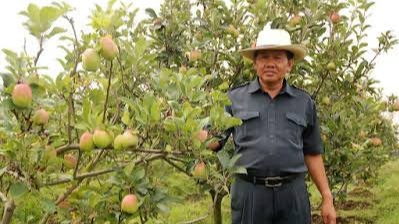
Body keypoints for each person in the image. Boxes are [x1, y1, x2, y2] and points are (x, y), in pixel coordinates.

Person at [207, 24, 336, 224]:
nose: (270, 63)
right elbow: (214, 141)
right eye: (264, 57)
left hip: (292, 195)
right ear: (255, 63)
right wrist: (188, 130)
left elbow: (312, 152)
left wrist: (327, 197)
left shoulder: (304, 102)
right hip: (250, 194)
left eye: (277, 58)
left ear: (289, 64)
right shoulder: (234, 99)